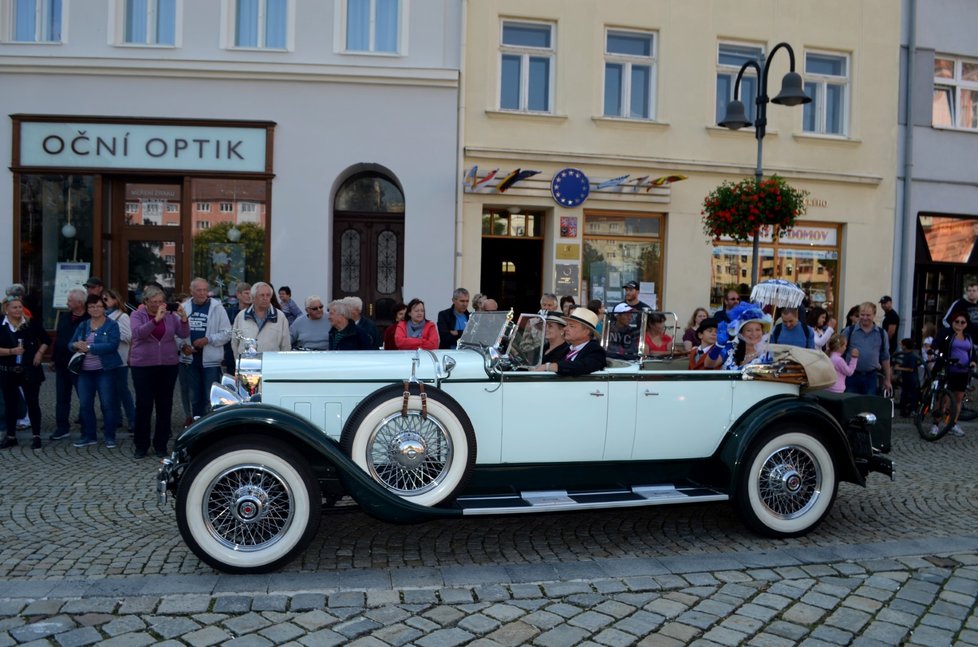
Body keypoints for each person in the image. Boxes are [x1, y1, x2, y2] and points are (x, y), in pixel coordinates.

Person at [130, 286, 189, 459]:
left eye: (160, 301)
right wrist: (155, 320)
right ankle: (141, 445)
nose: (158, 305)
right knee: (144, 405)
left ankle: (160, 444)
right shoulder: (137, 315)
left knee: (165, 405)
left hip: (167, 365)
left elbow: (184, 333)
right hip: (143, 365)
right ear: (146, 302)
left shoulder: (170, 316)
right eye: (154, 302)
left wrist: (184, 318)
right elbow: (138, 334)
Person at [70, 294, 122, 448]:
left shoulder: (112, 325)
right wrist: (75, 345)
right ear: (87, 309)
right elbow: (70, 343)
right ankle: (89, 436)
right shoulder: (83, 325)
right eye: (91, 306)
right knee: (85, 404)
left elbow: (113, 345)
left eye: (98, 306)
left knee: (107, 404)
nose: (95, 309)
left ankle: (110, 436)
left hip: (105, 370)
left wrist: (91, 348)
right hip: (85, 371)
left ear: (104, 308)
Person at [0, 295, 50, 449]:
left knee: (32, 402)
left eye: (20, 307)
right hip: (7, 370)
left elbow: (47, 340)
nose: (18, 310)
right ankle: (11, 436)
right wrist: (11, 351)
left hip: (29, 370)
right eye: (14, 307)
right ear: (6, 309)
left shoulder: (31, 323)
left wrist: (40, 353)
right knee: (10, 404)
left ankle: (36, 436)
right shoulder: (0, 325)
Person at [178, 278, 231, 420]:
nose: (202, 293)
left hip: (211, 360)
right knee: (194, 396)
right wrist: (182, 346)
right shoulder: (184, 307)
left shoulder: (217, 307)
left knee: (210, 396)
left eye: (205, 290)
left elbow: (227, 333)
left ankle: (210, 425)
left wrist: (208, 339)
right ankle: (195, 424)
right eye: (198, 290)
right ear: (191, 291)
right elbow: (174, 332)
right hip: (189, 359)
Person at [51, 288, 89, 442]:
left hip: (79, 364)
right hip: (61, 363)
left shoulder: (87, 319)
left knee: (84, 397)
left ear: (80, 303)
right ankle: (62, 427)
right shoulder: (65, 317)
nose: (67, 303)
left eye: (70, 301)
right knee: (62, 397)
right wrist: (53, 358)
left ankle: (87, 427)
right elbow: (58, 338)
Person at [935, 311, 977, 436]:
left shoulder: (968, 337)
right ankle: (936, 424)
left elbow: (972, 352)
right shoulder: (948, 335)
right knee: (943, 398)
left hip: (963, 371)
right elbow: (939, 344)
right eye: (956, 321)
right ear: (952, 322)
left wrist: (973, 362)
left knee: (958, 399)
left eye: (962, 322)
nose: (959, 324)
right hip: (948, 370)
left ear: (966, 324)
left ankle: (952, 423)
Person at [533, 308, 605, 376]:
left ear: (585, 332)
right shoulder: (566, 349)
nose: (565, 328)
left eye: (571, 326)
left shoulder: (596, 350)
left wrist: (549, 366)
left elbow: (582, 366)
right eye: (567, 325)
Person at [842, 302, 892, 396]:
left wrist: (888, 379)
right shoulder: (849, 331)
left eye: (868, 315)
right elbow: (838, 352)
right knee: (851, 407)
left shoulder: (881, 333)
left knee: (868, 408)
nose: (865, 318)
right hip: (851, 376)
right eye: (862, 315)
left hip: (871, 377)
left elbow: (885, 357)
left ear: (874, 315)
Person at [103, 288, 135, 433]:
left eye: (107, 299)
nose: (105, 302)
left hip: (120, 358)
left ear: (115, 300)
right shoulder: (103, 316)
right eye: (103, 299)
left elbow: (129, 337)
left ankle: (133, 420)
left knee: (122, 390)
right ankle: (116, 419)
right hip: (106, 358)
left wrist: (112, 334)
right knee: (110, 391)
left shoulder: (122, 317)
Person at [231, 282, 291, 357]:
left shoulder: (280, 317)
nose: (265, 298)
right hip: (247, 365)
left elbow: (286, 345)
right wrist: (239, 363)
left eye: (268, 295)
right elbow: (235, 343)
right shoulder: (241, 316)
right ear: (254, 297)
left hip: (271, 365)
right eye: (262, 295)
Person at [223, 282, 251, 374]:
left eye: (251, 293)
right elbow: (224, 332)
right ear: (238, 294)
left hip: (249, 355)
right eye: (246, 293)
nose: (249, 296)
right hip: (231, 356)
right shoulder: (230, 312)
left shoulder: (254, 313)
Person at [894, 338, 922, 417]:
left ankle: (911, 410)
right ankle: (904, 411)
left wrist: (898, 368)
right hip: (907, 379)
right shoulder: (907, 355)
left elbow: (911, 368)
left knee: (910, 395)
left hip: (911, 380)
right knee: (905, 395)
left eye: (902, 345)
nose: (901, 346)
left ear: (905, 346)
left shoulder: (911, 356)